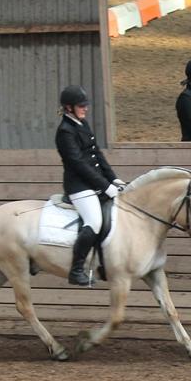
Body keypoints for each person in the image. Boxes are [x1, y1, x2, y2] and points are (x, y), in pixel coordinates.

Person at [55, 84, 124, 286]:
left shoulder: (82, 124)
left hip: (95, 183)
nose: (86, 108)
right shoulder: (65, 132)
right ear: (69, 108)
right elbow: (79, 164)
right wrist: (105, 186)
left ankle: (105, 264)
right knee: (94, 221)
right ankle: (76, 270)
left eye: (85, 105)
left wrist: (113, 179)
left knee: (112, 215)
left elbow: (97, 155)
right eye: (81, 105)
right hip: (78, 186)